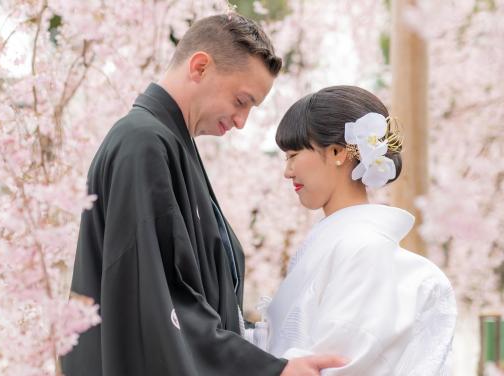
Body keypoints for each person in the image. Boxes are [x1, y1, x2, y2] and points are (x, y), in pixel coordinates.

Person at [61, 13, 345, 376]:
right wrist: (270, 370)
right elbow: (156, 299)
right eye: (241, 101)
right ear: (199, 67)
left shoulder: (170, 143)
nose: (242, 121)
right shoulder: (143, 142)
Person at [263, 85, 457, 375]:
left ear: (338, 152)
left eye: (293, 155)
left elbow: (340, 363)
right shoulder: (346, 244)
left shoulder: (363, 248)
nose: (287, 171)